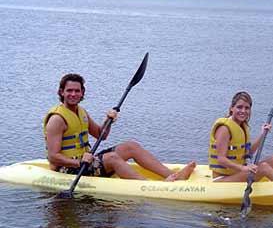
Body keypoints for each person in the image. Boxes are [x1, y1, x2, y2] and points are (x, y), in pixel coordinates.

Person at [44, 73, 196, 181]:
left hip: (86, 161)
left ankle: (172, 176)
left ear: (82, 92)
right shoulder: (57, 119)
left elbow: (101, 135)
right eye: (69, 90)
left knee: (131, 146)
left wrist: (108, 120)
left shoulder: (81, 111)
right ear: (61, 92)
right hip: (68, 169)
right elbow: (53, 157)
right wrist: (79, 162)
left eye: (77, 90)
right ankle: (150, 187)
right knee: (112, 158)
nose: (73, 94)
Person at [208, 91, 273, 182]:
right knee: (263, 167)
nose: (243, 111)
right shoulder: (224, 128)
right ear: (231, 108)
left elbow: (248, 152)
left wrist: (262, 134)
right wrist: (243, 168)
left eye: (247, 108)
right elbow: (221, 159)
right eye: (239, 107)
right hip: (222, 179)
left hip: (237, 173)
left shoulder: (241, 126)